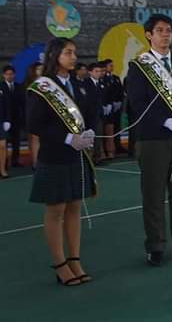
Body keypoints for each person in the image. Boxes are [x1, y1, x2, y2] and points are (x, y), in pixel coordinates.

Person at [125, 14, 172, 267]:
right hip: (153, 138)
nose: (166, 35)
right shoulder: (139, 66)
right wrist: (164, 121)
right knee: (154, 195)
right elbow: (137, 102)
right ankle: (155, 245)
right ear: (149, 35)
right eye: (160, 30)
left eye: (168, 30)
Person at [27, 38, 96, 286]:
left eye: (75, 52)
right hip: (54, 156)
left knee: (75, 207)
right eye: (68, 52)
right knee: (56, 210)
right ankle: (59, 264)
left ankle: (75, 259)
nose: (74, 57)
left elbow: (89, 114)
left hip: (76, 156)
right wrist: (67, 137)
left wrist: (89, 133)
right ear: (55, 55)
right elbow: (34, 124)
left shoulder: (79, 84)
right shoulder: (42, 87)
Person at [83, 63, 106, 164]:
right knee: (89, 137)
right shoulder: (86, 83)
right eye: (96, 71)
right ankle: (89, 158)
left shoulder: (101, 83)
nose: (99, 73)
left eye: (100, 71)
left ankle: (98, 157)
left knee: (98, 136)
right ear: (90, 72)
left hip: (99, 114)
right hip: (89, 115)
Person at [101, 59, 123, 159]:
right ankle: (106, 150)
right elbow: (106, 92)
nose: (112, 67)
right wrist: (108, 103)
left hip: (116, 107)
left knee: (117, 127)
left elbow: (120, 90)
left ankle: (117, 146)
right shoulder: (103, 79)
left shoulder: (116, 78)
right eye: (110, 65)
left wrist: (119, 101)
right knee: (106, 128)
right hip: (107, 107)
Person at [2, 65, 24, 167]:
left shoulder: (19, 86)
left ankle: (15, 161)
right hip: (4, 119)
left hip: (16, 118)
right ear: (3, 75)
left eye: (11, 74)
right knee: (4, 143)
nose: (9, 76)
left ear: (14, 75)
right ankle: (4, 162)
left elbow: (22, 103)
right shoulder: (1, 87)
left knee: (16, 141)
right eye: (7, 74)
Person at [23, 61, 43, 168]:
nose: (41, 71)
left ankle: (38, 161)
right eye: (38, 69)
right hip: (32, 113)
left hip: (42, 114)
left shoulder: (46, 83)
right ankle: (35, 162)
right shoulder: (30, 85)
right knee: (34, 138)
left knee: (39, 138)